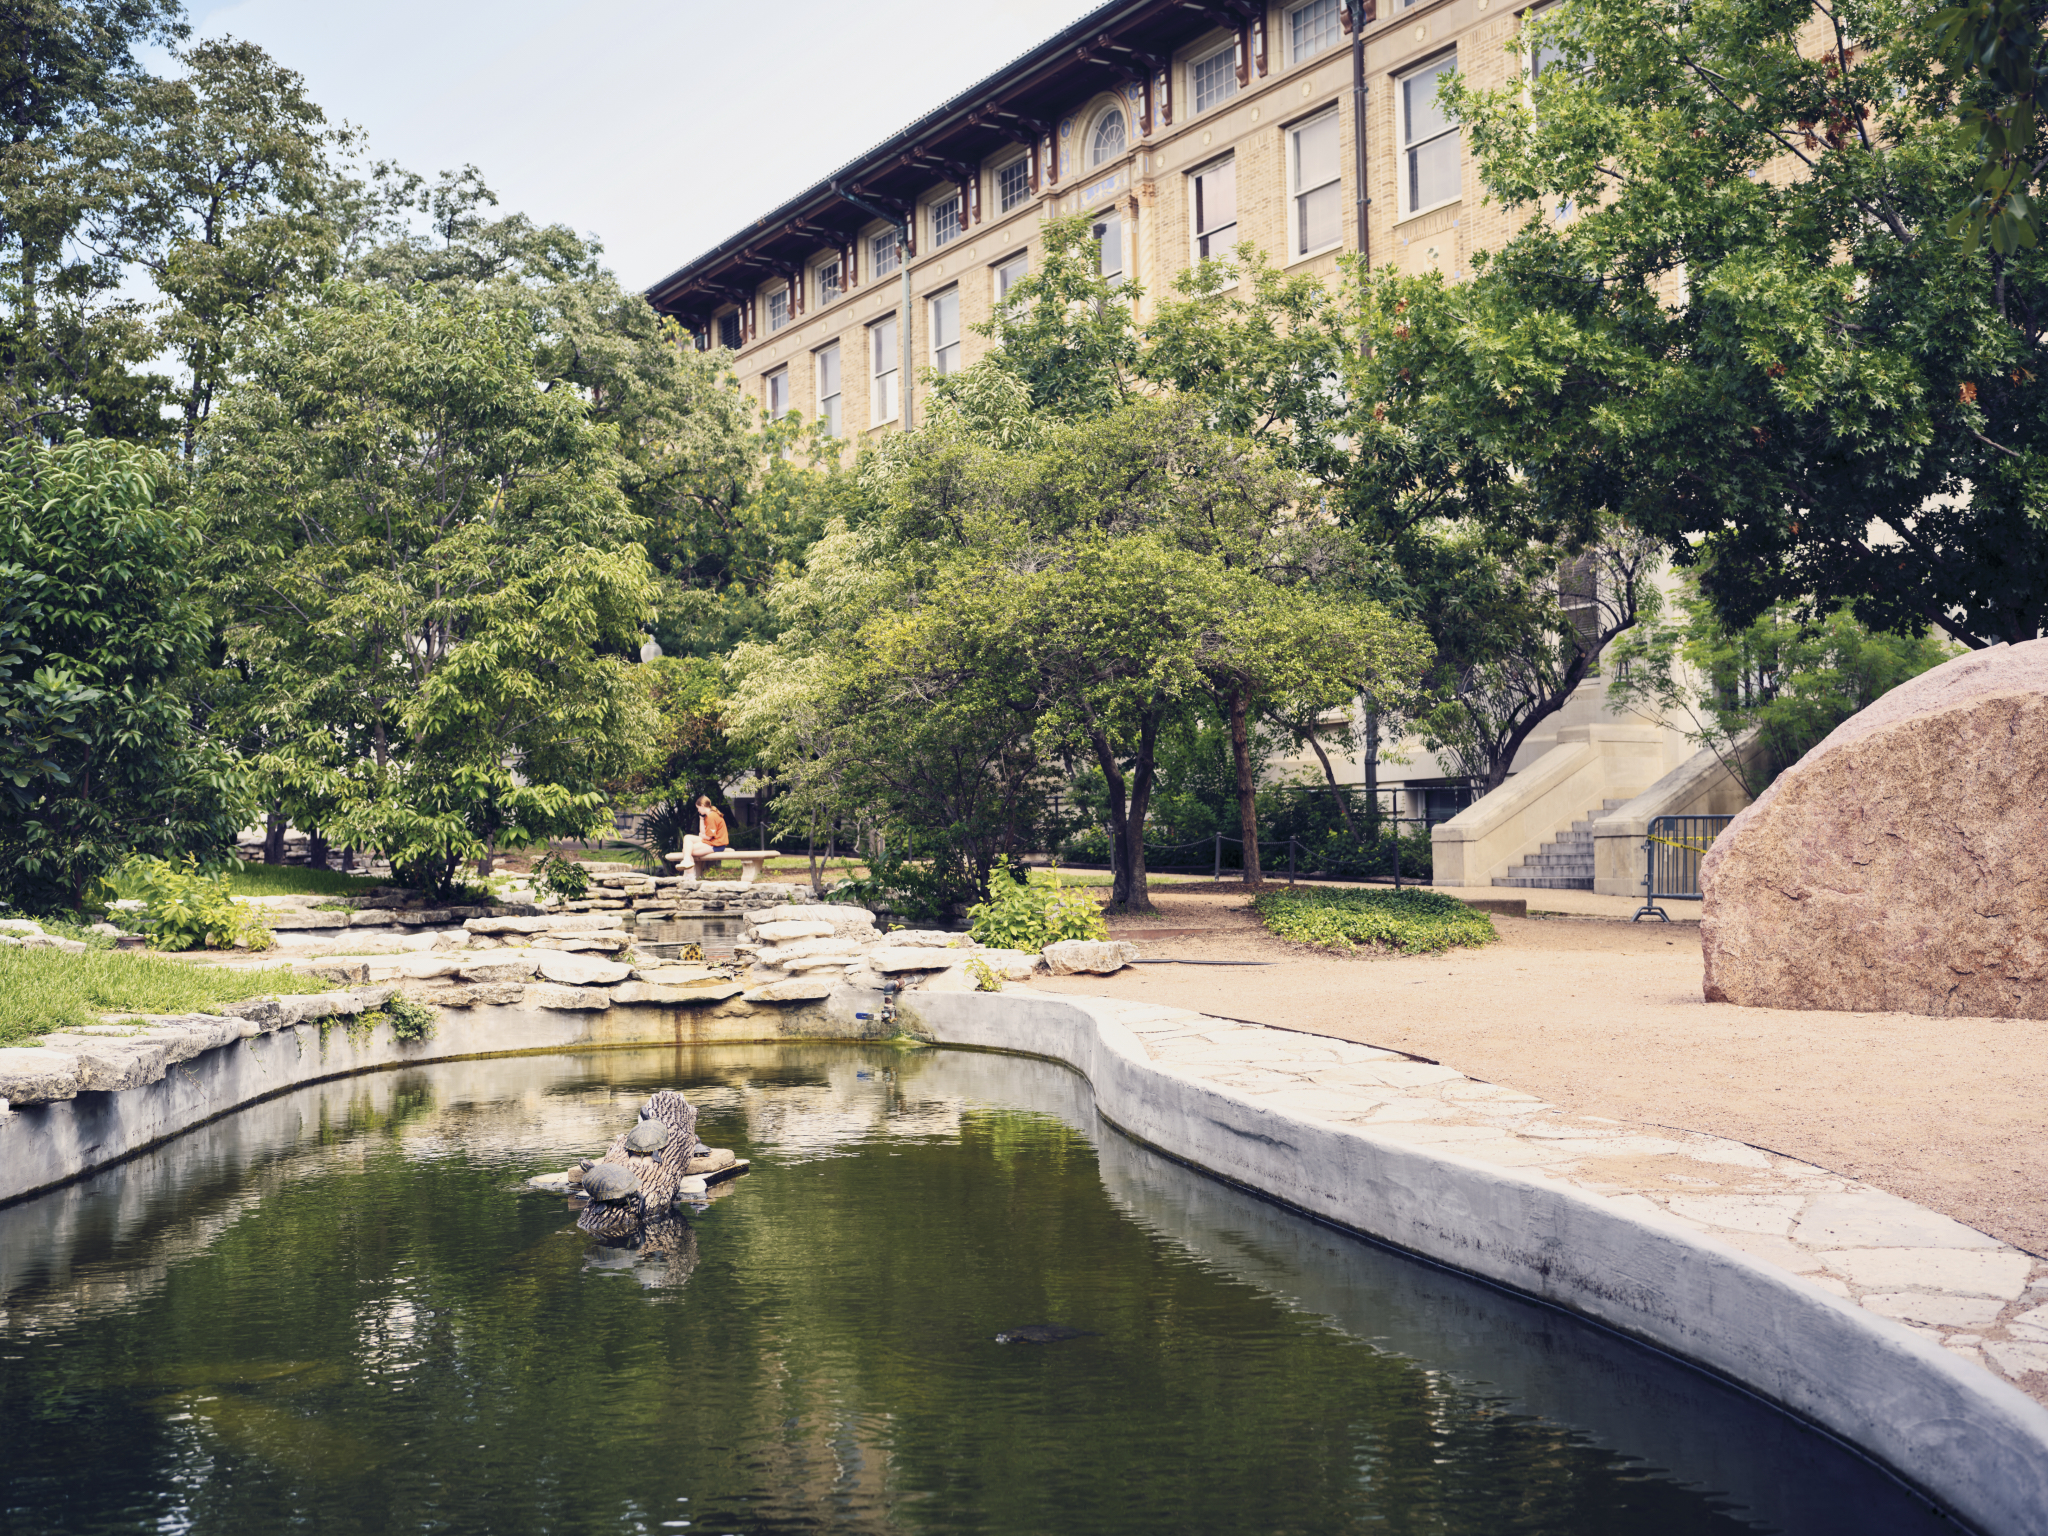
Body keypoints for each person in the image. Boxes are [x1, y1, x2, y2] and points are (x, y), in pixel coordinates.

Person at [675, 795, 733, 881]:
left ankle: (690, 877)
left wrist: (702, 836)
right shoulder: (708, 815)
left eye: (698, 808)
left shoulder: (712, 816)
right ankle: (687, 862)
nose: (698, 810)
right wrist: (701, 819)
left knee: (686, 850)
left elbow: (708, 837)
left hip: (716, 844)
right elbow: (702, 832)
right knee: (687, 838)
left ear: (702, 806)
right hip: (712, 841)